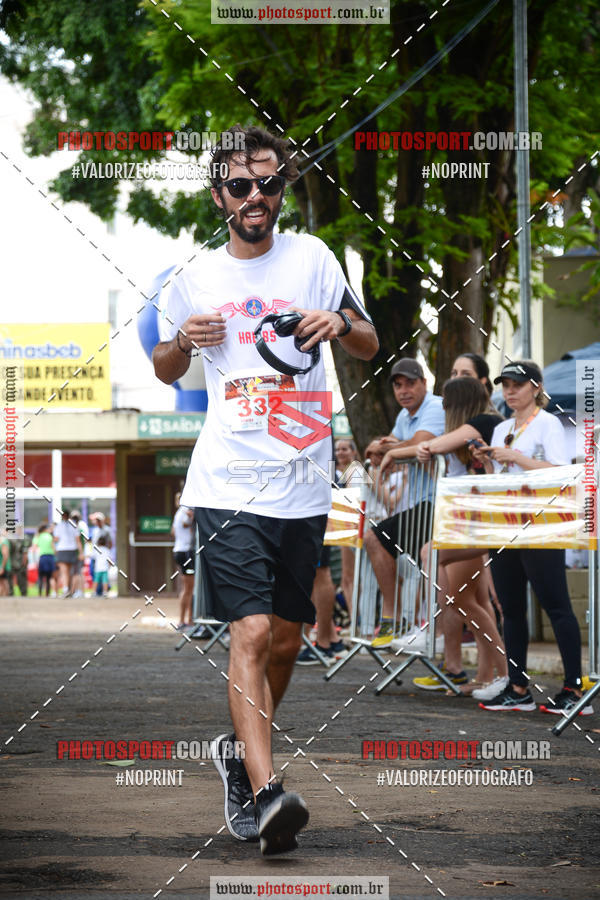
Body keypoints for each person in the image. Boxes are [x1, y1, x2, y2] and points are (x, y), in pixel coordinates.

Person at [152, 124, 378, 854]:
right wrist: (183, 341)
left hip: (303, 481)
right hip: (227, 478)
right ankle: (268, 788)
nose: (257, 197)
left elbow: (370, 340)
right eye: (242, 186)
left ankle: (238, 758)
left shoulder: (313, 257)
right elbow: (162, 367)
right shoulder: (192, 275)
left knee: (287, 642)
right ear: (219, 195)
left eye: (269, 183)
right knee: (249, 632)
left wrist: (340, 320)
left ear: (281, 188)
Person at [472, 361, 593, 716]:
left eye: (517, 384)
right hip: (507, 524)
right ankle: (518, 687)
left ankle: (574, 687)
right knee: (510, 608)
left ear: (536, 388)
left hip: (541, 524)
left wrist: (517, 457)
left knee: (556, 605)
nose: (510, 391)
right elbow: (501, 475)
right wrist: (488, 459)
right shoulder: (503, 428)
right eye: (505, 385)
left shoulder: (549, 423)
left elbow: (561, 470)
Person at [396, 377, 509, 698]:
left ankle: (434, 630)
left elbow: (436, 445)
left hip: (480, 522)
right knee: (467, 601)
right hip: (465, 521)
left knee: (432, 554)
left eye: (446, 404)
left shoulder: (484, 422)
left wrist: (417, 449)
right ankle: (490, 676)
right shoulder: (471, 431)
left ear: (457, 405)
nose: (443, 410)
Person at [363, 359, 445, 647]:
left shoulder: (435, 406)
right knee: (374, 539)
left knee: (430, 560)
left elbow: (418, 444)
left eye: (410, 383)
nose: (404, 390)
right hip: (422, 505)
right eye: (398, 385)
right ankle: (396, 618)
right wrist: (386, 449)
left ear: (424, 383)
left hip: (440, 505)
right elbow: (388, 454)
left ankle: (435, 634)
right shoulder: (404, 415)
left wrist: (386, 448)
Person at [171, 492, 196, 629]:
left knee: (187, 588)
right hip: (186, 551)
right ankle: (187, 621)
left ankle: (184, 620)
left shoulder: (177, 513)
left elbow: (173, 532)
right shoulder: (187, 512)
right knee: (190, 589)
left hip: (178, 550)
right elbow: (187, 524)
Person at [53, 510, 80, 597]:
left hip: (62, 549)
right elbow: (78, 540)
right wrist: (81, 552)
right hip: (72, 550)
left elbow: (56, 539)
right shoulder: (74, 525)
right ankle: (70, 590)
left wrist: (52, 541)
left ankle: (66, 590)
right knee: (70, 572)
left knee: (64, 572)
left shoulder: (58, 526)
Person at [34, 523, 56, 597]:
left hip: (42, 557)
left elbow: (34, 547)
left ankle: (39, 594)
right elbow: (54, 548)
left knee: (40, 576)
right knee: (48, 577)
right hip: (50, 557)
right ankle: (47, 594)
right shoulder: (49, 536)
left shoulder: (38, 537)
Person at [0, 530, 11, 597]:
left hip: (3, 566)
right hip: (2, 565)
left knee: (4, 582)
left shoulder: (4, 542)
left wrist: (2, 567)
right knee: (2, 582)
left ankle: (6, 598)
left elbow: (5, 555)